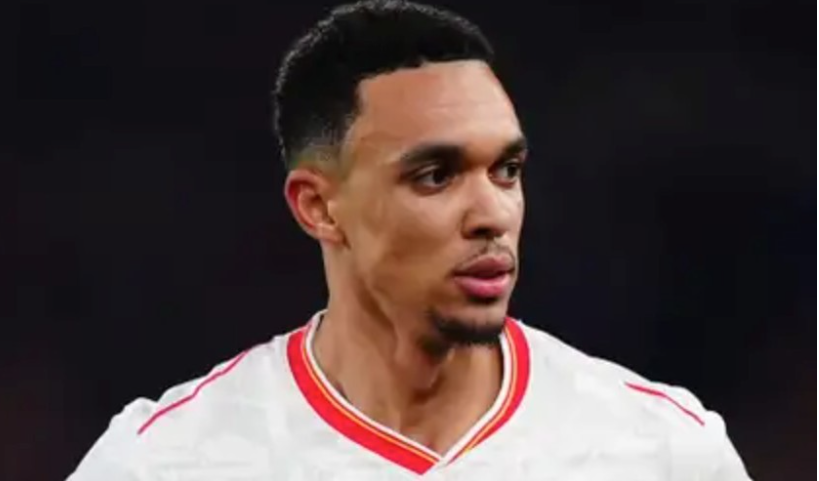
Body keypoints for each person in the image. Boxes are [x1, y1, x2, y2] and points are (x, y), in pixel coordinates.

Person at [67, 1, 752, 479]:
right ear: (319, 207)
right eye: (436, 175)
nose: (492, 213)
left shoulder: (662, 452)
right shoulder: (167, 462)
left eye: (506, 170)